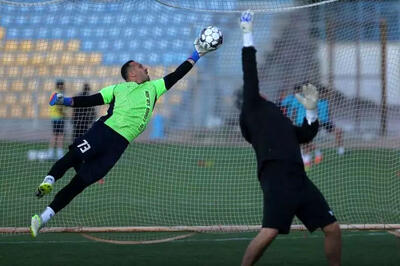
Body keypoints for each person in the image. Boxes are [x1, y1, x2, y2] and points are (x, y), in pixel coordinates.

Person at [29, 32, 221, 237]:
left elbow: (177, 75)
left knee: (80, 184)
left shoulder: (154, 88)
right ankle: (48, 181)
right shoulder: (118, 88)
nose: (146, 68)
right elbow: (91, 100)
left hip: (118, 146)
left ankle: (41, 219)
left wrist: (197, 54)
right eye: (140, 66)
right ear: (132, 74)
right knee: (73, 156)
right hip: (104, 131)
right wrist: (63, 101)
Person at [238, 11, 341, 266]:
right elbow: (250, 70)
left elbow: (305, 135)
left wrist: (310, 110)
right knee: (269, 231)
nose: (259, 91)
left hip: (299, 178)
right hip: (276, 177)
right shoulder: (252, 108)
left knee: (332, 228)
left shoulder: (277, 115)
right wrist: (247, 34)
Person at [281, 84, 345, 168]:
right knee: (304, 141)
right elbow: (292, 109)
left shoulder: (321, 101)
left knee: (337, 132)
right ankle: (312, 157)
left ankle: (340, 150)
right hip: (306, 122)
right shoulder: (298, 100)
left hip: (321, 122)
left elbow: (324, 112)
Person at [48, 80, 66, 160]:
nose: (64, 87)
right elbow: (59, 107)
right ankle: (59, 153)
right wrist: (65, 113)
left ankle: (51, 152)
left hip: (53, 117)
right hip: (59, 117)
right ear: (60, 86)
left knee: (54, 135)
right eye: (63, 85)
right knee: (60, 136)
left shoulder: (53, 93)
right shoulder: (59, 94)